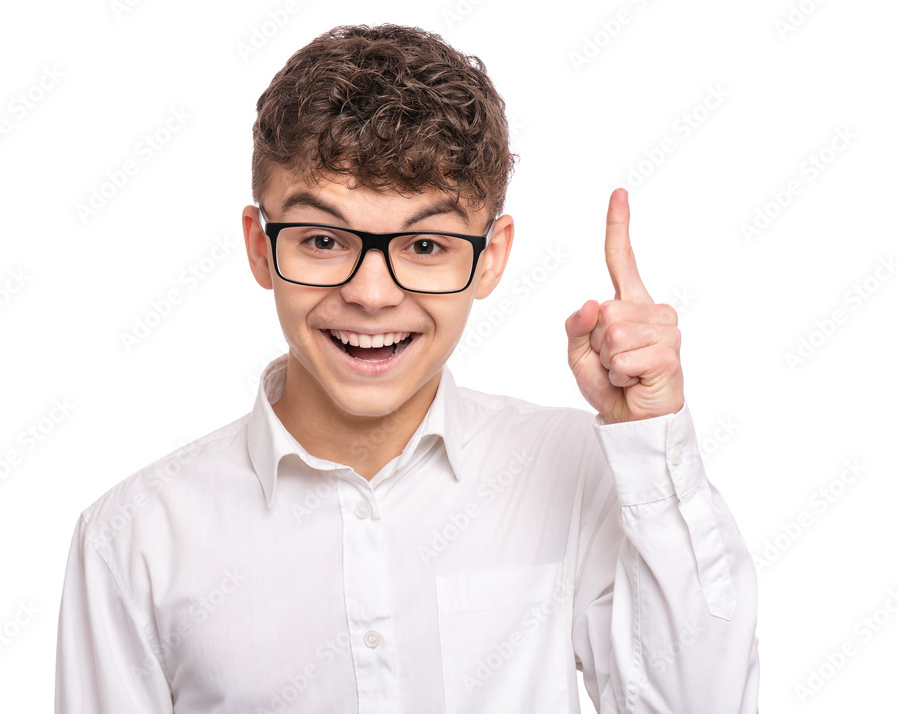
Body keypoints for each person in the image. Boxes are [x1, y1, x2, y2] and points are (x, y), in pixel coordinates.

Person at [54, 23, 759, 713]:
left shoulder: (580, 472)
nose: (370, 293)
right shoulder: (133, 539)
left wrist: (652, 437)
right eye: (325, 239)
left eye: (425, 245)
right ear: (260, 247)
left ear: (490, 258)